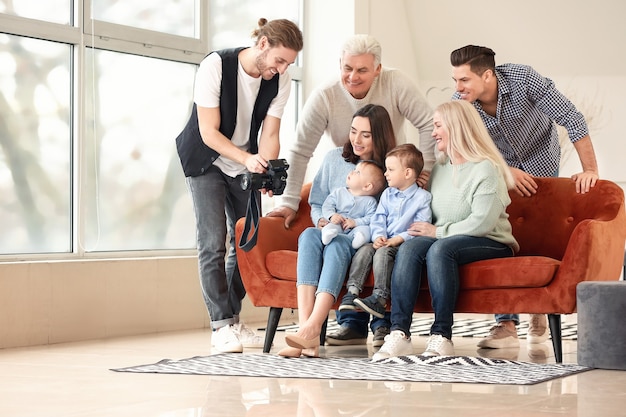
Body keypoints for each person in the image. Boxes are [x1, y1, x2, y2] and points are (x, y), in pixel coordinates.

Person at [268, 34, 434, 347]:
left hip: (377, 206)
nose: (352, 77)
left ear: (378, 70)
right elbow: (302, 153)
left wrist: (423, 170)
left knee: (358, 245)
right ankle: (312, 327)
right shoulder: (327, 106)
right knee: (311, 236)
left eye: (361, 70)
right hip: (336, 215)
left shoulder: (387, 174)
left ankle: (336, 326)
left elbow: (428, 123)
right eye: (347, 68)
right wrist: (291, 203)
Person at [450, 44, 600, 350]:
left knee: (539, 232)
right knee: (499, 233)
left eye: (463, 80)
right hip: (496, 167)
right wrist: (505, 171)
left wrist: (591, 171)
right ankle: (505, 324)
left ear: (488, 75)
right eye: (455, 80)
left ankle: (539, 308)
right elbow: (463, 151)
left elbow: (572, 118)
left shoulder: (523, 79)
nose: (458, 87)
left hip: (541, 157)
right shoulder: (461, 104)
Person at [175, 18, 303, 353]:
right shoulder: (216, 65)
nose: (282, 68)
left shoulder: (280, 79)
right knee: (213, 241)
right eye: (279, 60)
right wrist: (247, 160)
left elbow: (270, 134)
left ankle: (231, 318)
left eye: (288, 63)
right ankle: (220, 325)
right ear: (263, 44)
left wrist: (265, 170)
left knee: (248, 240)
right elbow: (208, 131)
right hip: (206, 159)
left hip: (243, 163)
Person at [373, 100, 519, 360]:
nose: (432, 132)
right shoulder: (440, 169)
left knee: (440, 249)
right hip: (449, 239)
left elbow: (482, 223)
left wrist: (437, 232)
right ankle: (400, 334)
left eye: (438, 126)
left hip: (491, 241)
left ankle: (441, 335)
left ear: (457, 127)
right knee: (410, 247)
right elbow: (429, 213)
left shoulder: (487, 168)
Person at [278, 104, 397, 358]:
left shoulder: (389, 169)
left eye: (366, 134)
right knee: (308, 235)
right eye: (354, 131)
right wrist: (322, 220)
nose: (356, 139)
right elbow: (317, 200)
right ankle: (305, 331)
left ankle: (312, 326)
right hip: (328, 228)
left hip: (357, 240)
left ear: (380, 137)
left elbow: (387, 213)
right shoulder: (334, 158)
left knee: (336, 246)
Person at [340, 143, 432, 318]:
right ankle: (352, 292)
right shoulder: (387, 194)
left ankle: (379, 298)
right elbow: (378, 218)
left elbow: (421, 226)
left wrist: (398, 239)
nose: (385, 173)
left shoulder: (422, 198)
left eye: (390, 169)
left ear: (407, 173)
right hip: (384, 240)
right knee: (364, 250)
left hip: (403, 244)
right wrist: (378, 236)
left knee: (383, 254)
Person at [320, 160, 386, 249]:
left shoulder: (370, 202)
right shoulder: (339, 192)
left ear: (367, 186)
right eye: (354, 169)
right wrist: (332, 215)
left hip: (357, 228)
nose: (352, 172)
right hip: (340, 223)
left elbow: (371, 218)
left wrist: (356, 222)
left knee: (367, 230)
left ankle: (359, 240)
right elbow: (327, 206)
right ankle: (327, 235)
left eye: (357, 172)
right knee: (331, 226)